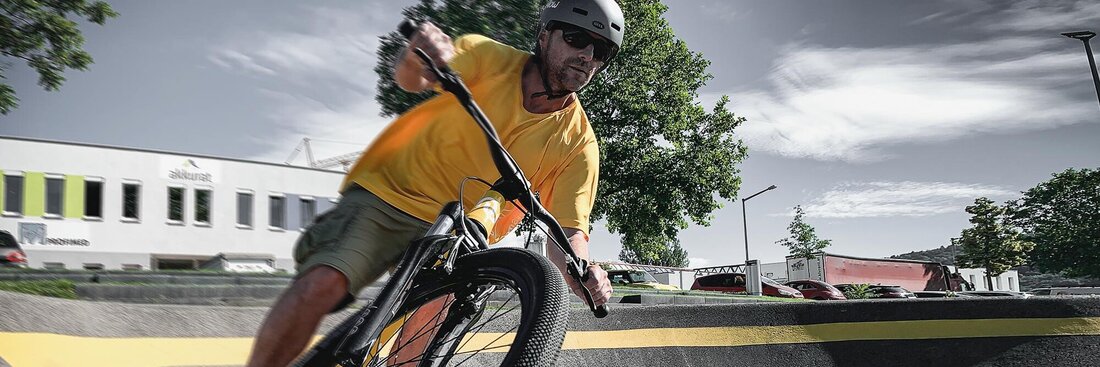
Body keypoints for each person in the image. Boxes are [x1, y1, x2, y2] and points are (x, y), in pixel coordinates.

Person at [247, 0, 625, 365]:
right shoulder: (487, 56)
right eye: (576, 38)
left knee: (419, 339)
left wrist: (585, 272)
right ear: (544, 36)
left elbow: (570, 230)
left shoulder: (579, 143)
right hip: (392, 195)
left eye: (601, 50)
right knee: (322, 284)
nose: (587, 55)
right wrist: (417, 52)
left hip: (463, 235)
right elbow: (413, 78)